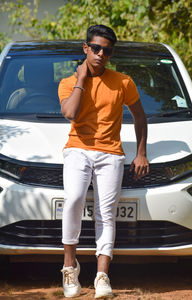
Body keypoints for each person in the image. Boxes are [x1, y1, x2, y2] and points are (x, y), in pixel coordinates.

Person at [58, 24, 149, 299]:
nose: (100, 54)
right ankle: (69, 267)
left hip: (111, 153)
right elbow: (71, 113)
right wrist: (81, 79)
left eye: (106, 51)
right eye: (95, 48)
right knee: (73, 199)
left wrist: (141, 152)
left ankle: (101, 276)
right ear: (85, 48)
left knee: (105, 212)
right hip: (78, 149)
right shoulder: (67, 83)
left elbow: (140, 117)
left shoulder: (123, 82)